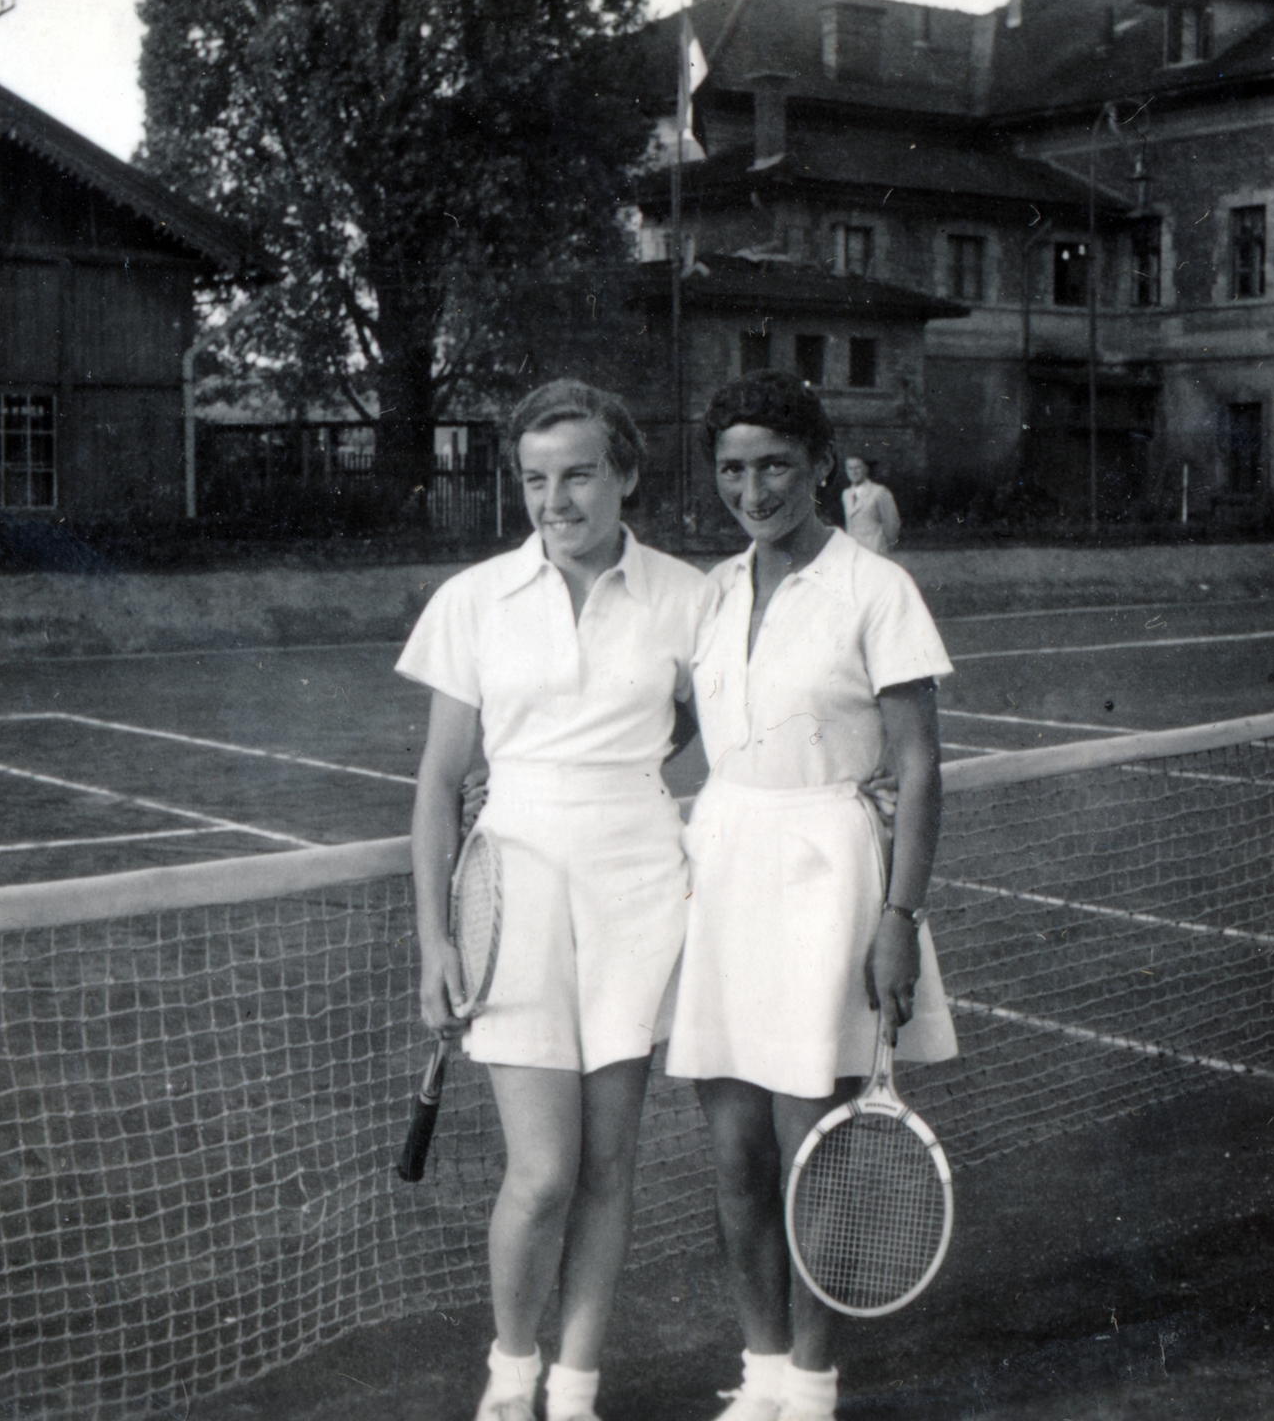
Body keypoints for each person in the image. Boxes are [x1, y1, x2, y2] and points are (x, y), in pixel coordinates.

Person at [397, 379, 707, 1421]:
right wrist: (433, 940)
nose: (554, 500)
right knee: (541, 1172)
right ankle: (512, 1370)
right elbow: (440, 781)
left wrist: (618, 778)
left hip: (638, 886)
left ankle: (573, 1389)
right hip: (511, 892)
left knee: (609, 1164)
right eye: (534, 479)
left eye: (576, 474)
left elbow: (712, 721)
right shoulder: (473, 598)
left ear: (623, 472)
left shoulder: (688, 595)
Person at [666, 371, 958, 1421]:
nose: (753, 488)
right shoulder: (708, 592)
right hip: (724, 868)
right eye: (733, 468)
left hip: (832, 875)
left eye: (775, 464)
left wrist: (897, 919)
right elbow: (663, 735)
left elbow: (919, 767)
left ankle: (814, 1383)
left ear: (820, 465)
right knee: (735, 1150)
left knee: (810, 1145)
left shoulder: (874, 589)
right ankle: (761, 1375)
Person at [840, 455, 901, 554]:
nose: (853, 472)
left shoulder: (879, 492)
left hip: (874, 551)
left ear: (866, 469)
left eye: (857, 468)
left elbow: (892, 523)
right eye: (850, 468)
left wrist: (884, 547)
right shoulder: (846, 494)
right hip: (853, 552)